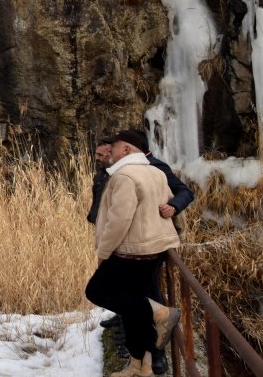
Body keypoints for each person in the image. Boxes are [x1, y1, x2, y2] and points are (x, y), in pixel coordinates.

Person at [89, 129, 195, 375]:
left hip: (130, 250)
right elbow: (161, 199)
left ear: (126, 149)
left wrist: (103, 253)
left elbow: (119, 220)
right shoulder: (155, 172)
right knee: (132, 305)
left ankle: (160, 314)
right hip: (153, 249)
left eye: (113, 147)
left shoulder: (125, 175)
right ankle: (140, 365)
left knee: (97, 291)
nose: (109, 151)